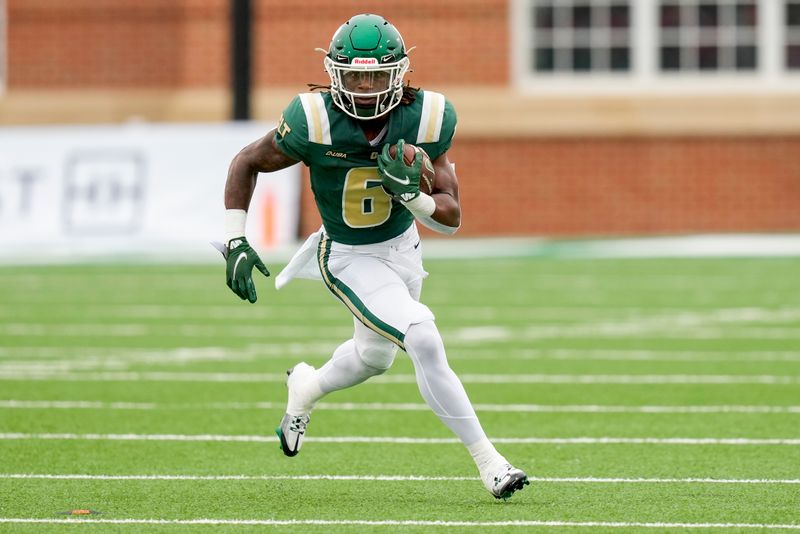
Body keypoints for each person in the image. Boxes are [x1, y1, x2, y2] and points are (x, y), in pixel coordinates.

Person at [220, 13, 528, 500]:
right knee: (422, 335)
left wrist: (414, 198)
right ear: (335, 75)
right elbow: (247, 160)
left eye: (377, 76)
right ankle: (492, 462)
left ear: (399, 74)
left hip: (404, 250)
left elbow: (451, 216)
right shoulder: (314, 119)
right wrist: (236, 239)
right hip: (346, 254)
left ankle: (306, 386)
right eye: (355, 76)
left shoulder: (428, 117)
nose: (365, 88)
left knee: (373, 356)